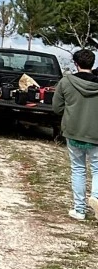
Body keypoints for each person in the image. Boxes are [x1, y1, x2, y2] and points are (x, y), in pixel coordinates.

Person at [52, 48, 98, 220]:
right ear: (92, 64)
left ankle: (79, 210)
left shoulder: (66, 82)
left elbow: (56, 108)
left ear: (76, 63)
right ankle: (96, 197)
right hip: (96, 134)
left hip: (73, 131)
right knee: (97, 168)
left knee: (78, 169)